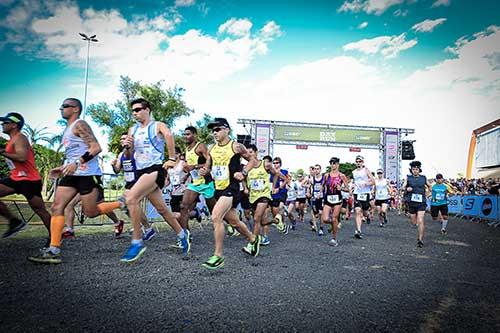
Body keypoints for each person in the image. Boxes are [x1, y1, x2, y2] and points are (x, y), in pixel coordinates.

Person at [28, 98, 124, 264]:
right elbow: (73, 155)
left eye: (65, 106)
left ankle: (122, 203)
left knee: (90, 212)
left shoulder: (80, 125)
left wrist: (77, 163)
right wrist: (63, 167)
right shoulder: (67, 129)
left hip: (88, 175)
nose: (61, 109)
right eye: (61, 106)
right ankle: (54, 249)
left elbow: (96, 148)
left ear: (75, 109)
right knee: (57, 207)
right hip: (71, 175)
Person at [119, 98, 190, 263]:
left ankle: (137, 242)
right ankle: (182, 235)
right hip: (140, 171)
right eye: (133, 111)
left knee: (131, 198)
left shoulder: (157, 125)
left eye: (138, 109)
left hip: (155, 169)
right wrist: (127, 148)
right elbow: (129, 156)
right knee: (162, 210)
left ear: (147, 109)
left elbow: (169, 135)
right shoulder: (132, 130)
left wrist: (172, 158)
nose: (135, 113)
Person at [202, 117, 260, 270]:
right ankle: (253, 239)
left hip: (232, 188)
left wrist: (244, 172)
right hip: (218, 189)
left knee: (216, 217)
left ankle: (218, 255)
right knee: (234, 222)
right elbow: (209, 166)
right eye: (213, 130)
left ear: (227, 129)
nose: (215, 132)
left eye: (218, 129)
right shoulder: (211, 149)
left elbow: (253, 160)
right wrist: (204, 170)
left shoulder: (236, 146)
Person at [0, 112, 51, 240]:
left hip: (29, 180)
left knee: (40, 210)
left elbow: (22, 157)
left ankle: (55, 236)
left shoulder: (20, 138)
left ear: (14, 125)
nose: (2, 124)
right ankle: (14, 222)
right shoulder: (11, 140)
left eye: (5, 122)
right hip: (16, 178)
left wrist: (2, 152)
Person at [242, 145, 284, 254]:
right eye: (247, 152)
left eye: (251, 152)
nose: (248, 154)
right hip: (253, 197)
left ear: (256, 153)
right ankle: (276, 220)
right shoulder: (246, 167)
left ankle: (252, 244)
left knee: (256, 219)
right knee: (261, 221)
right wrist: (246, 188)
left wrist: (274, 187)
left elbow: (276, 174)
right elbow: (243, 179)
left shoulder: (265, 164)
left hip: (264, 195)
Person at [178, 126, 216, 234]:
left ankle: (231, 223)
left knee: (215, 212)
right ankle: (186, 236)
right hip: (195, 183)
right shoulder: (187, 149)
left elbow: (210, 161)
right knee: (184, 207)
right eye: (184, 134)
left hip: (206, 183)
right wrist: (186, 174)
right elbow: (189, 168)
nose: (185, 136)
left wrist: (194, 166)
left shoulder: (200, 147)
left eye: (188, 134)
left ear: (194, 135)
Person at [401, 161, 432, 248]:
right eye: (413, 169)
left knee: (420, 220)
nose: (415, 171)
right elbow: (403, 187)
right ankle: (418, 227)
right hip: (411, 202)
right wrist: (407, 188)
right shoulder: (408, 178)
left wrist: (428, 194)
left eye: (416, 169)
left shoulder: (424, 178)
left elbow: (430, 187)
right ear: (411, 170)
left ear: (419, 170)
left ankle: (420, 239)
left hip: (421, 202)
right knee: (414, 222)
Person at [321, 157, 349, 247]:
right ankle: (334, 224)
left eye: (335, 163)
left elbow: (347, 189)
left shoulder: (342, 176)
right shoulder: (326, 175)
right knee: (325, 219)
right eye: (331, 163)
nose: (333, 165)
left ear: (338, 164)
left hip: (338, 199)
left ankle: (334, 239)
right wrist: (319, 194)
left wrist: (341, 188)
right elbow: (323, 185)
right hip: (328, 198)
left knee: (334, 218)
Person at [352, 155, 374, 239]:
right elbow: (355, 182)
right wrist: (353, 188)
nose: (358, 163)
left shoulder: (366, 170)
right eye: (357, 161)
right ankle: (358, 230)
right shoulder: (354, 172)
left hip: (365, 193)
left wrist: (366, 184)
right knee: (357, 211)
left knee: (365, 211)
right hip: (357, 193)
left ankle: (367, 215)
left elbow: (373, 181)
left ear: (363, 162)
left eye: (360, 161)